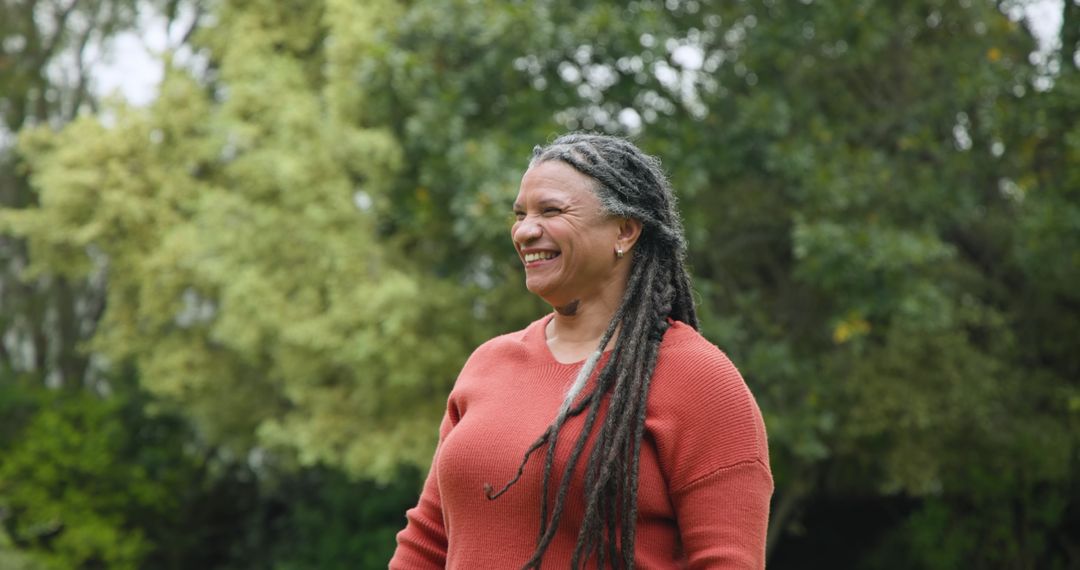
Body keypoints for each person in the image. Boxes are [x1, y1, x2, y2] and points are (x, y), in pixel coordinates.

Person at [390, 133, 772, 569]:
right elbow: (426, 543)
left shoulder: (699, 380)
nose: (525, 231)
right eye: (520, 215)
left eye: (551, 211)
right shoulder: (489, 364)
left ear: (624, 231)